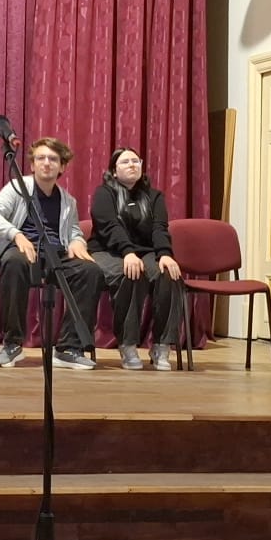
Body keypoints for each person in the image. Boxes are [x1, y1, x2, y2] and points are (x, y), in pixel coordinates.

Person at [0, 136, 104, 370]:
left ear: (62, 166)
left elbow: (74, 230)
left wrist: (77, 242)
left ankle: (68, 348)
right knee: (13, 262)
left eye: (53, 159)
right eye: (41, 158)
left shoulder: (68, 200)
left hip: (56, 254)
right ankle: (12, 344)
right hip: (23, 251)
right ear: (33, 165)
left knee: (90, 271)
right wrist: (16, 234)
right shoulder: (17, 189)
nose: (47, 163)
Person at [88, 146, 185, 371]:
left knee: (169, 274)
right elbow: (109, 226)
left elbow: (160, 228)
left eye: (135, 161)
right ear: (114, 171)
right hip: (108, 251)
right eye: (125, 162)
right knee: (130, 273)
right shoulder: (104, 193)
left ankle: (161, 345)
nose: (132, 165)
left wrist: (165, 254)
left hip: (144, 251)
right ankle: (128, 344)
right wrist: (128, 252)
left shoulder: (154, 196)